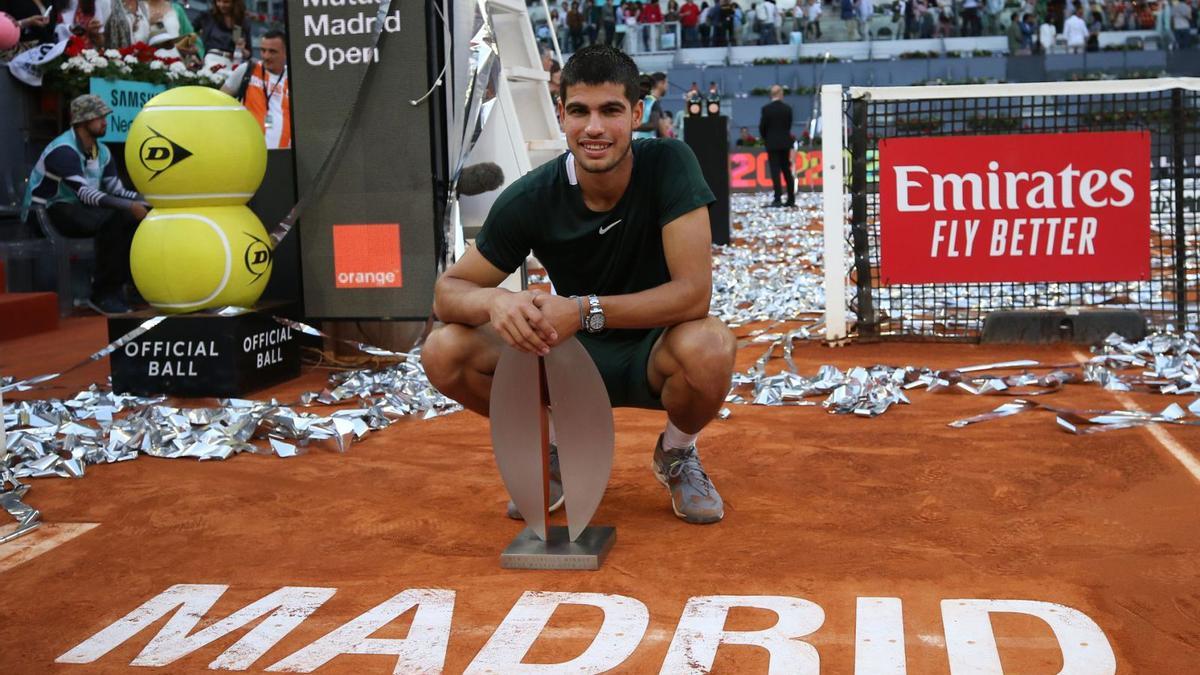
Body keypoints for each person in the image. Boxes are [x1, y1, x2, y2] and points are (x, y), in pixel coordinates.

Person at [422, 45, 735, 526]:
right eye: (579, 111)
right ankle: (553, 447)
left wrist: (585, 309)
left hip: (656, 347)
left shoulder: (671, 162)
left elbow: (694, 293)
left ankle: (676, 453)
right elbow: (449, 293)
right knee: (444, 351)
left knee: (712, 346)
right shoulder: (531, 197)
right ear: (560, 116)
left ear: (636, 113)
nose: (594, 128)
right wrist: (496, 300)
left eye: (610, 111)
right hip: (566, 352)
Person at [22, 95, 149, 314]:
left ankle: (128, 289)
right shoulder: (63, 150)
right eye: (99, 117)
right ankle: (102, 295)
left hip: (77, 208)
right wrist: (128, 206)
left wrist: (148, 201)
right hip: (46, 210)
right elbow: (84, 194)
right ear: (82, 121)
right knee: (116, 218)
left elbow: (117, 190)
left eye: (104, 117)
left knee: (130, 218)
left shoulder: (104, 152)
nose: (104, 122)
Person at [222, 29, 291, 149]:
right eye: (263, 50)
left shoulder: (294, 79)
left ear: (285, 52)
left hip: (283, 154)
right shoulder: (247, 70)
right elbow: (220, 100)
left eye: (272, 51)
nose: (266, 56)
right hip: (248, 151)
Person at [758, 84, 794, 208]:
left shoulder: (766, 109)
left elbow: (762, 127)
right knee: (786, 170)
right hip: (785, 143)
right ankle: (791, 198)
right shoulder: (787, 108)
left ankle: (777, 198)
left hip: (772, 143)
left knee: (775, 171)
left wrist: (766, 138)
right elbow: (789, 125)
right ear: (780, 94)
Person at [194, 0, 249, 69]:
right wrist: (196, 53)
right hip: (211, 59)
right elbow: (189, 32)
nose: (221, 5)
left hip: (231, 63)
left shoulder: (239, 22)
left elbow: (248, 53)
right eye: (218, 1)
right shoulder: (207, 16)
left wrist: (242, 49)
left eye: (226, 2)